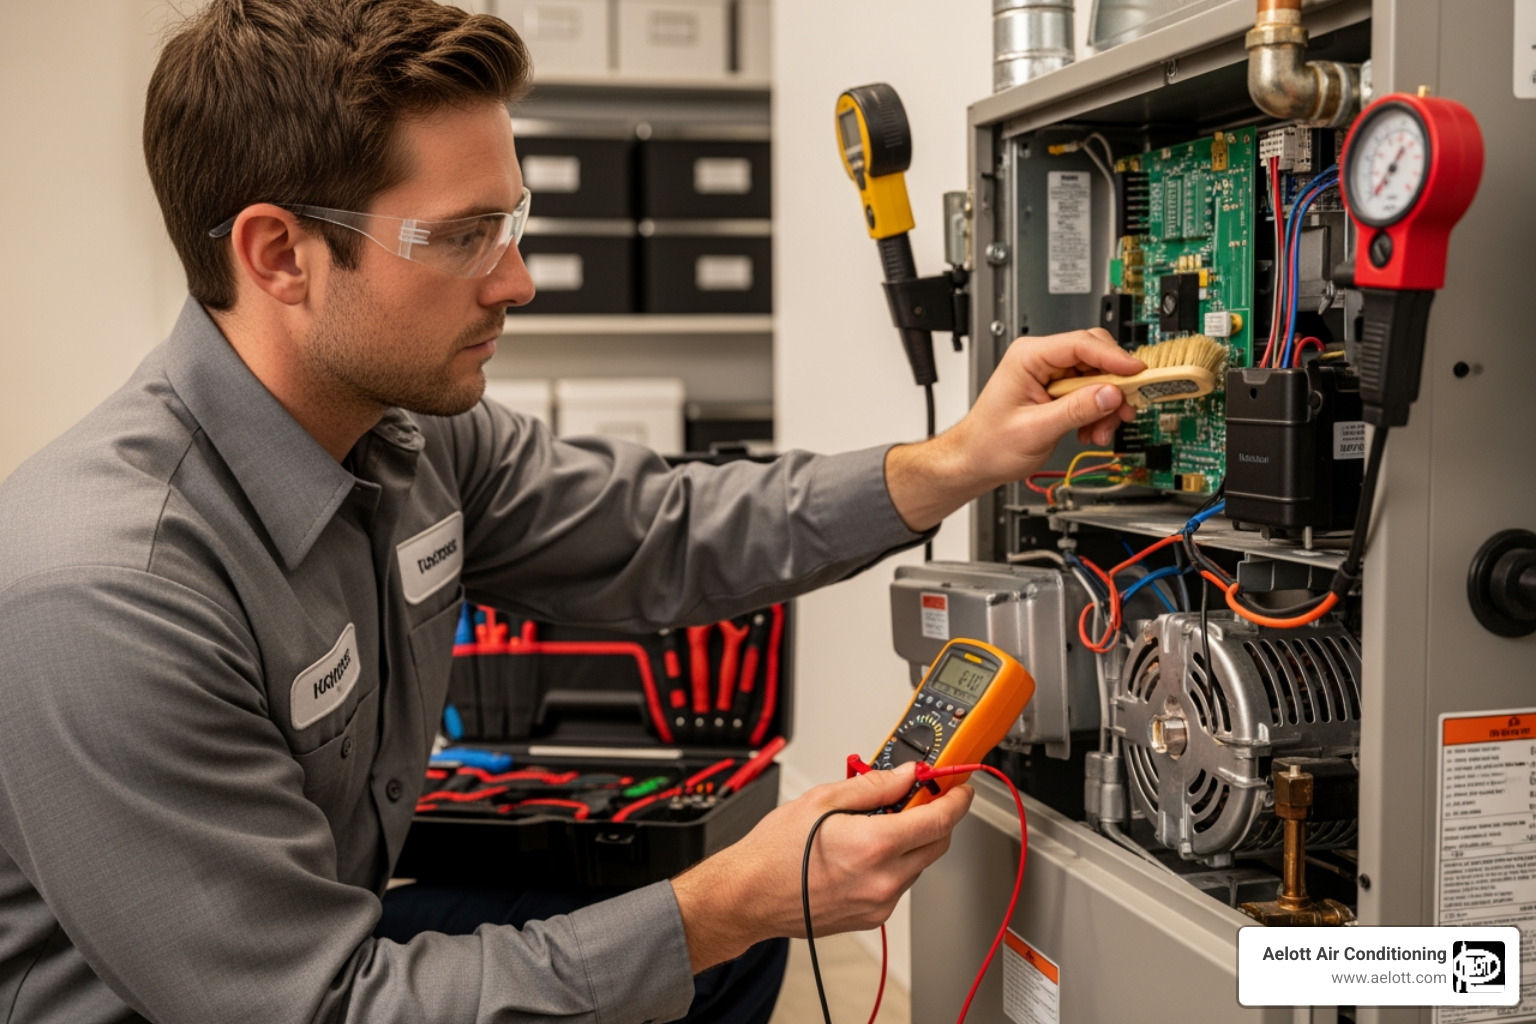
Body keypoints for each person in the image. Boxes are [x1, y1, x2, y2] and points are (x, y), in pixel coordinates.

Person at [0, 2, 1144, 1022]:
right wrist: (719, 905)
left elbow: (662, 527)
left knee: (713, 954)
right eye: (462, 237)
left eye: (514, 220)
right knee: (709, 929)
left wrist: (957, 459)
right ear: (278, 255)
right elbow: (319, 1005)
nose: (517, 279)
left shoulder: (409, 435)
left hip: (299, 954)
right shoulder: (108, 593)